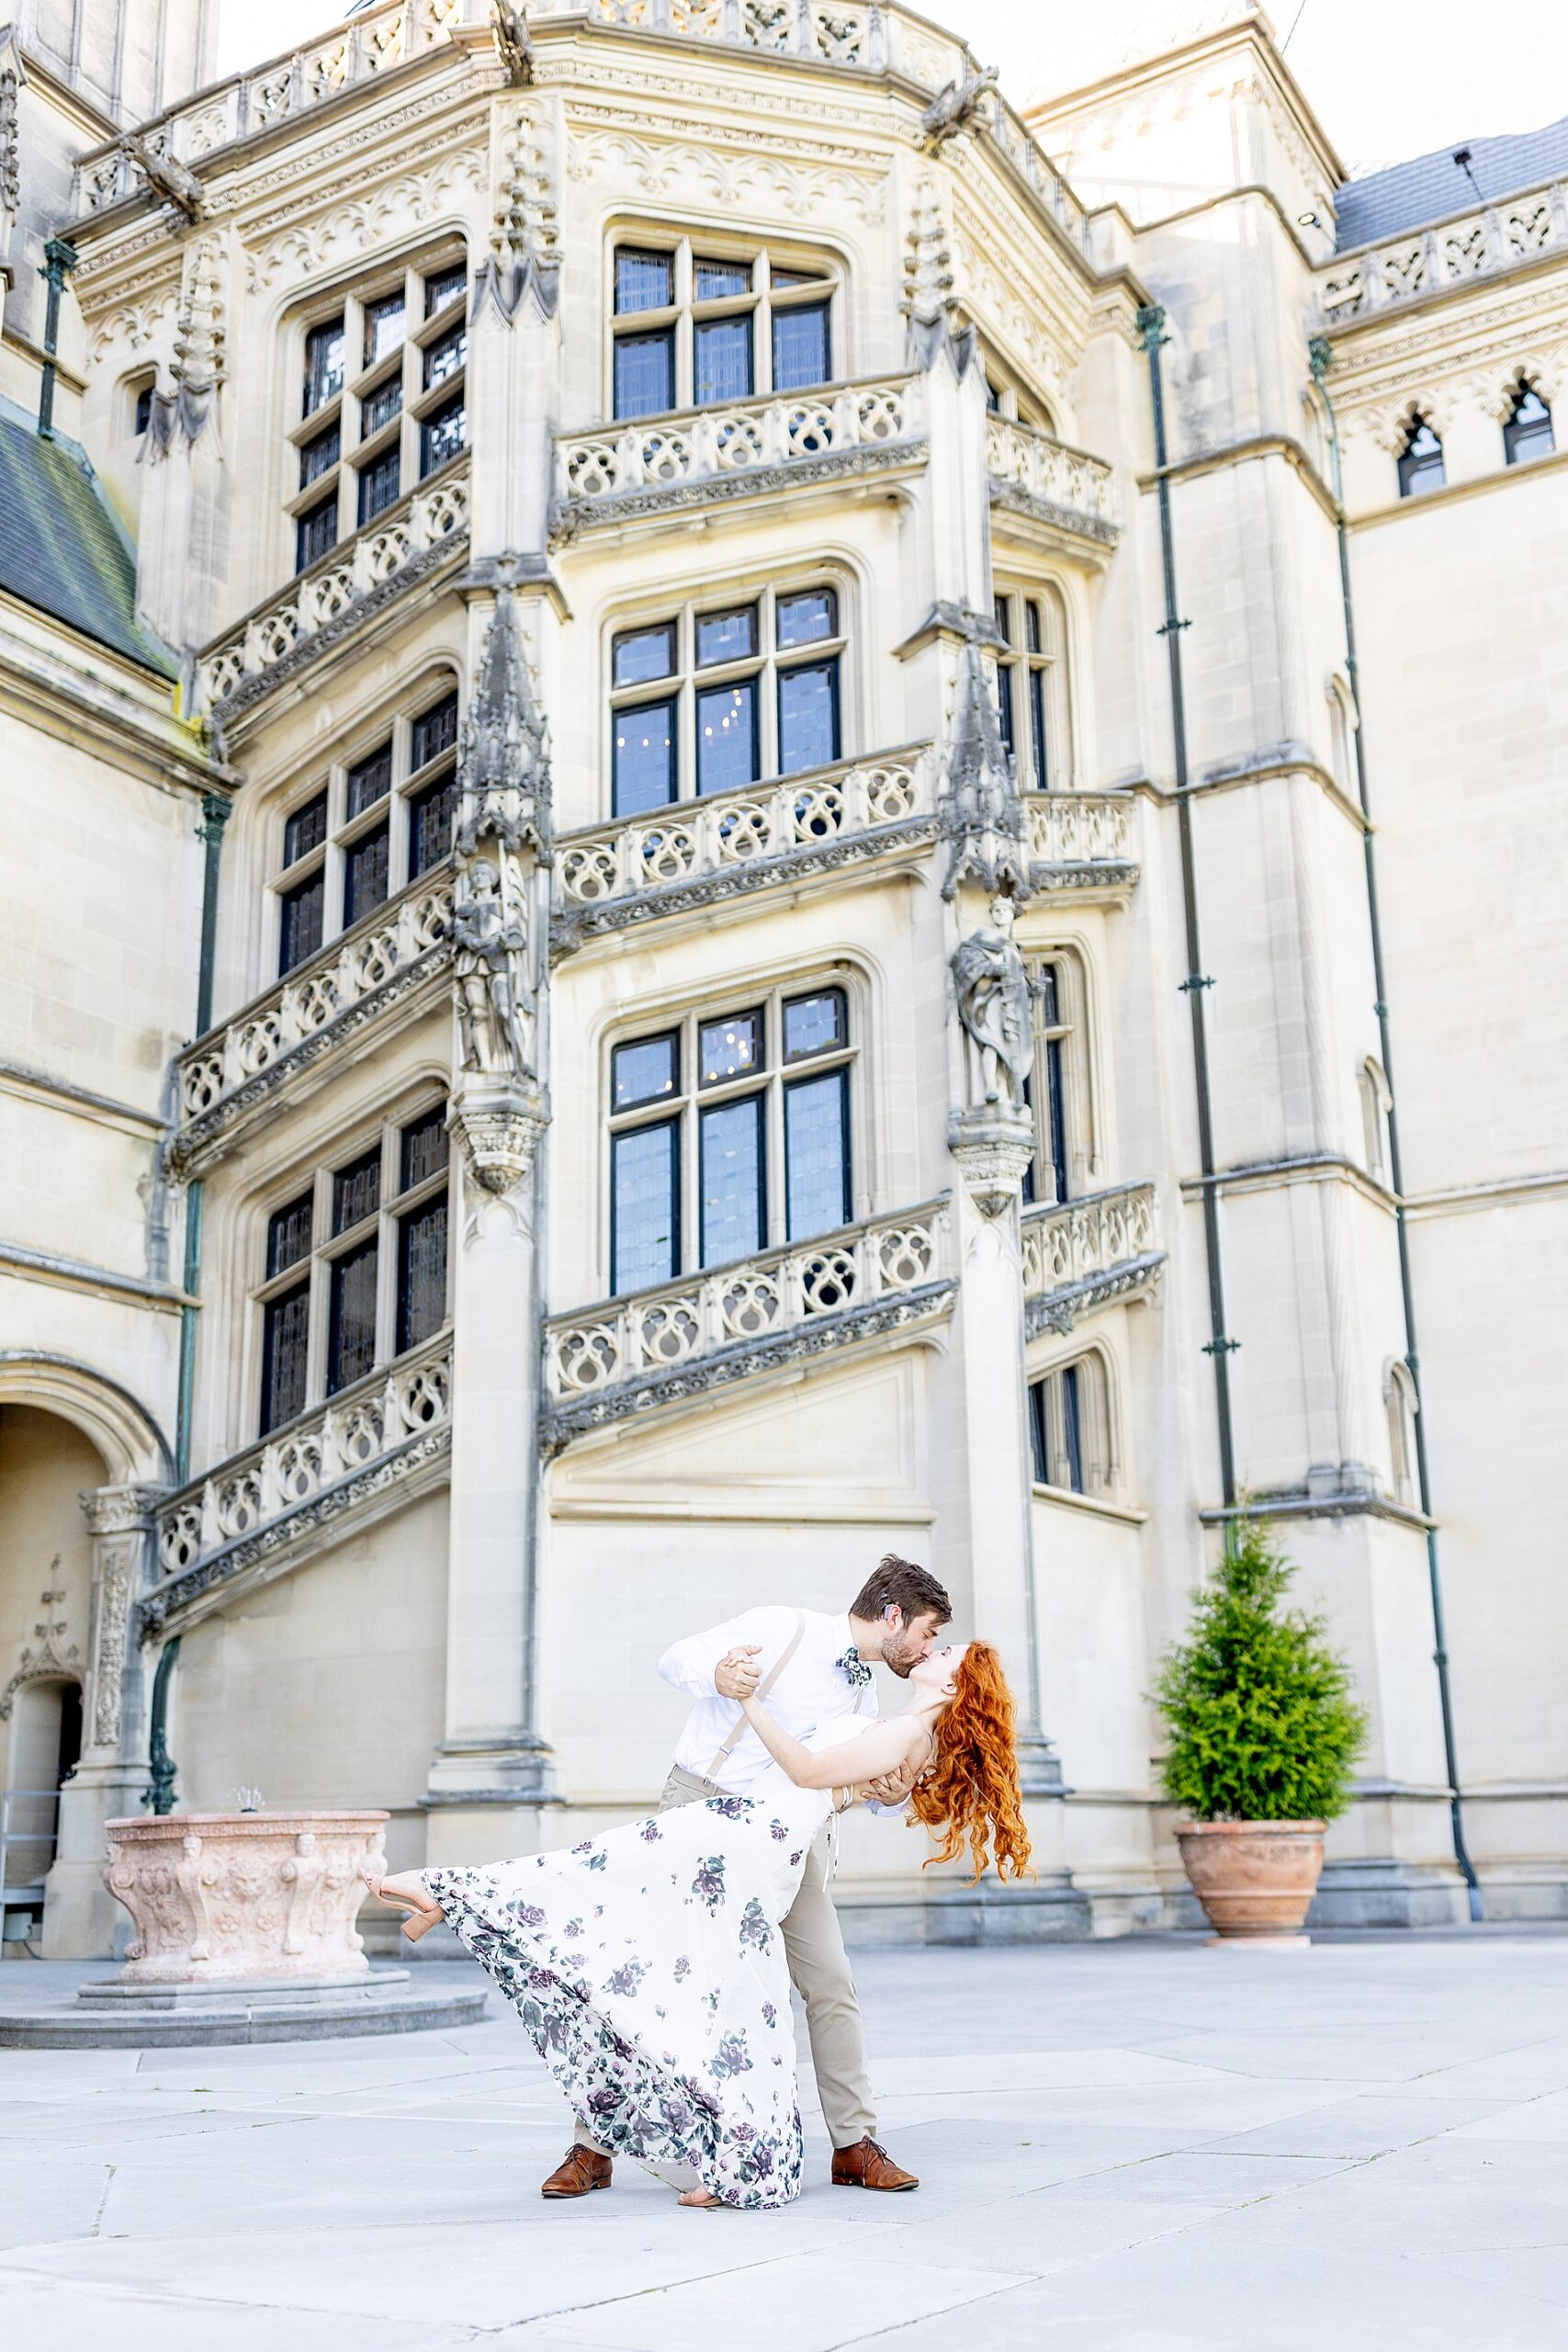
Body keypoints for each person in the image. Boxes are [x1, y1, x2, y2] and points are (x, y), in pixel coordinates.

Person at [362, 1588, 1031, 2211]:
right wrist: (721, 1680)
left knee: (815, 1985)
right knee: (633, 1949)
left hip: (768, 1843)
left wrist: (882, 1790)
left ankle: (848, 2145)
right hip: (707, 1808)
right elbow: (675, 1659)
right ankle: (593, 2145)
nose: (927, 1647)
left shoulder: (883, 1712)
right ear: (891, 1615)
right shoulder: (784, 1629)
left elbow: (834, 1777)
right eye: (928, 1633)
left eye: (939, 1646)